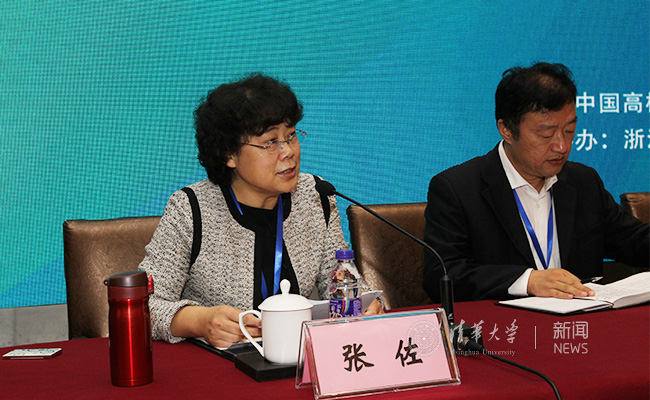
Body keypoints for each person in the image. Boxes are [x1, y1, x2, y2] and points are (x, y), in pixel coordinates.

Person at [139, 73, 382, 348]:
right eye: (270, 142)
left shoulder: (315, 196)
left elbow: (339, 279)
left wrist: (364, 302)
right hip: (223, 361)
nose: (288, 152)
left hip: (297, 357)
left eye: (291, 136)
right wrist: (200, 321)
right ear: (229, 154)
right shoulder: (190, 209)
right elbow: (144, 307)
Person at [422, 62, 649, 302]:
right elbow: (441, 276)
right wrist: (528, 281)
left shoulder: (584, 182)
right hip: (506, 322)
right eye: (546, 134)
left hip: (581, 321)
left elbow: (633, 241)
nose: (561, 146)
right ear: (506, 130)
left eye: (569, 131)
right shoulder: (458, 189)